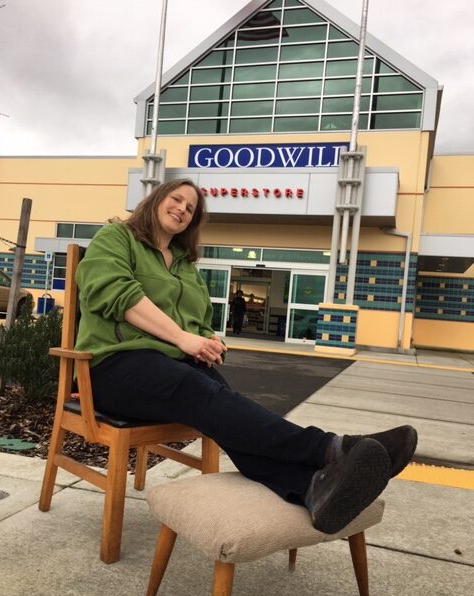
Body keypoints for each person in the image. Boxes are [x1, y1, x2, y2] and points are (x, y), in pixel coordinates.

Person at [75, 179, 417, 534]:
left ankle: (312, 489)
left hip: (169, 367)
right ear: (156, 200)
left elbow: (196, 320)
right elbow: (114, 293)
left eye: (190, 209)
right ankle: (332, 448)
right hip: (112, 367)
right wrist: (183, 338)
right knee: (204, 395)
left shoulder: (184, 265)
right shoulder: (116, 237)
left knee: (226, 409)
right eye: (176, 199)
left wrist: (206, 338)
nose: (182, 209)